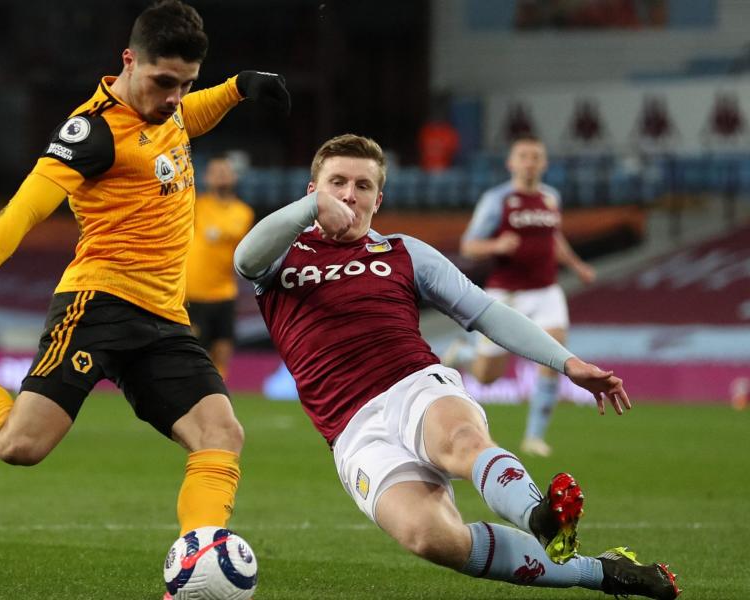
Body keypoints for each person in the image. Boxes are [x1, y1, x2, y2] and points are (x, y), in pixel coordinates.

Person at [0, 1, 290, 589]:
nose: (175, 97)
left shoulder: (171, 109)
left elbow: (189, 118)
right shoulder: (91, 133)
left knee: (221, 433)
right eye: (164, 82)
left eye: (186, 84)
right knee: (20, 446)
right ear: (128, 61)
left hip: (164, 317)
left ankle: (193, 573)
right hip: (98, 305)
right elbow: (23, 210)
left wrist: (236, 88)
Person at [233, 134, 679, 599]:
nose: (349, 194)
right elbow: (244, 259)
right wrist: (310, 212)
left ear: (378, 199)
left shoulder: (403, 252)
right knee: (430, 537)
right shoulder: (282, 255)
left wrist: (566, 362)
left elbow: (486, 312)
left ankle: (539, 517)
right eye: (337, 183)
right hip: (351, 428)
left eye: (363, 186)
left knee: (461, 441)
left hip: (414, 384)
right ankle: (604, 573)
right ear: (313, 192)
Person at [454, 135, 597, 457]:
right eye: (524, 156)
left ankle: (534, 437)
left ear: (544, 163)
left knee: (555, 358)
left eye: (536, 156)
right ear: (511, 163)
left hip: (547, 290)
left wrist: (576, 266)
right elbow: (468, 245)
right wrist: (495, 246)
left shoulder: (550, 198)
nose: (530, 162)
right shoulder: (497, 200)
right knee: (488, 376)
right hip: (508, 294)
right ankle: (465, 354)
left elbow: (553, 238)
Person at [185, 155, 254, 379]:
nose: (221, 175)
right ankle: (197, 398)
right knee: (197, 352)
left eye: (225, 171)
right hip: (194, 292)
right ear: (206, 177)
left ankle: (218, 393)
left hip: (224, 291)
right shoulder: (194, 205)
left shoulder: (243, 213)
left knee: (223, 350)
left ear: (234, 177)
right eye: (216, 172)